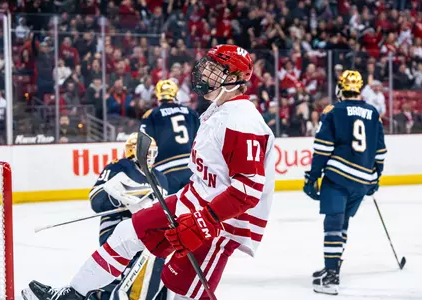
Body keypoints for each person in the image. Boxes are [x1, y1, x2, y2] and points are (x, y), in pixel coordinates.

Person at [22, 44, 276, 300]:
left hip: (222, 222)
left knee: (184, 292)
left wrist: (206, 220)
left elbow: (247, 190)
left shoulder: (243, 122)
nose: (204, 74)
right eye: (206, 67)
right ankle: (73, 295)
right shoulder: (218, 110)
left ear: (233, 79)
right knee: (126, 233)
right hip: (193, 201)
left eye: (213, 70)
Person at [303, 70, 387, 295]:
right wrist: (375, 179)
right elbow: (379, 152)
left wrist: (312, 177)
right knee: (343, 224)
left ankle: (331, 277)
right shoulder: (373, 112)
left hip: (338, 177)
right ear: (359, 90)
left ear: (340, 89)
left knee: (333, 224)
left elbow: (322, 149)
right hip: (361, 180)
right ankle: (333, 266)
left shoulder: (333, 111)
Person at [88, 132, 170, 300]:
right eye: (146, 151)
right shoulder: (119, 166)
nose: (149, 156)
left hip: (147, 233)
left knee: (154, 276)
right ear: (133, 151)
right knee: (127, 273)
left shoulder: (161, 177)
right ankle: (101, 294)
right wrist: (124, 199)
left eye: (152, 152)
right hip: (116, 227)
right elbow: (96, 200)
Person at [140, 79, 200, 194]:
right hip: (191, 167)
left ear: (157, 95)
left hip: (165, 171)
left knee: (171, 208)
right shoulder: (190, 112)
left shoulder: (152, 115)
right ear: (175, 93)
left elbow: (145, 146)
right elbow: (201, 139)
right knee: (194, 206)